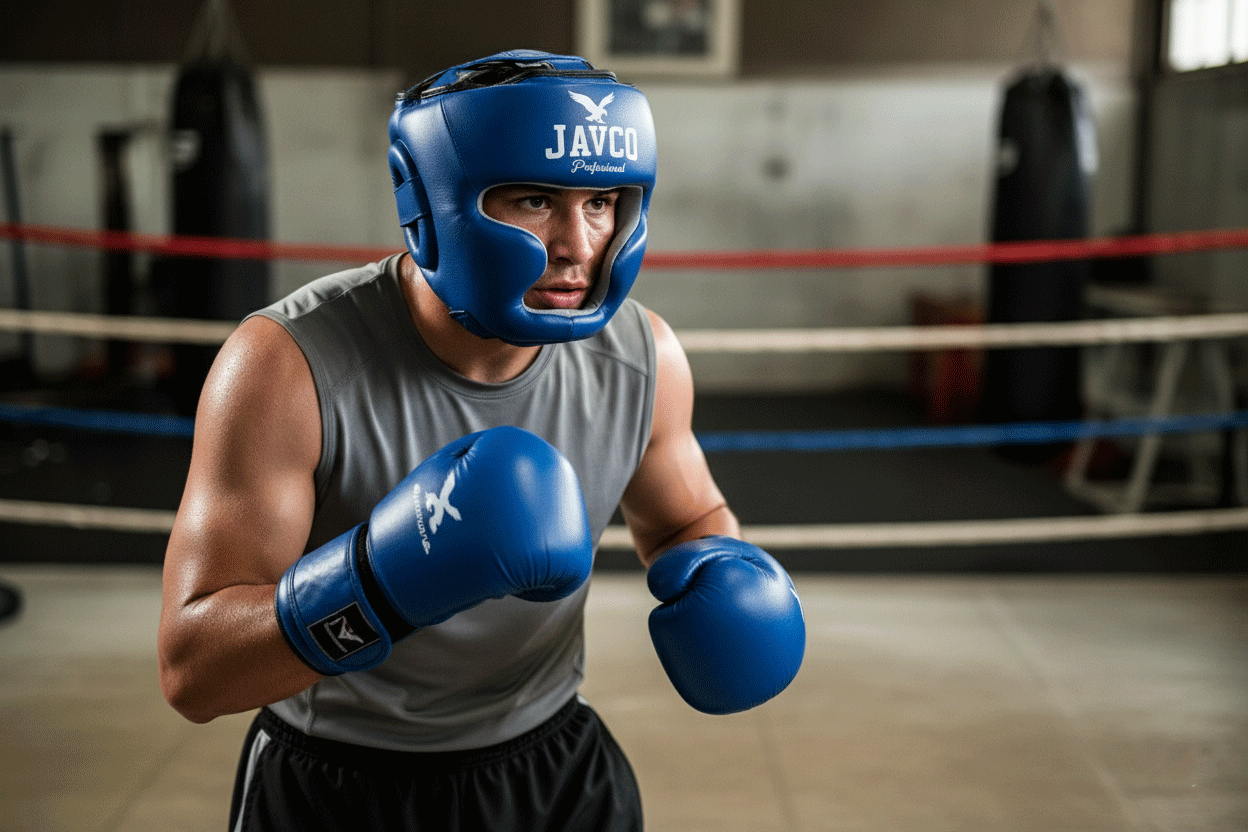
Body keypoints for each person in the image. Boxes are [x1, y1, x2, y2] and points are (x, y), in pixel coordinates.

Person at [157, 50, 805, 832]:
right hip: (340, 782)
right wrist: (380, 584)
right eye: (534, 199)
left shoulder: (643, 357)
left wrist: (720, 569)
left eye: (602, 201)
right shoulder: (287, 367)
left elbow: (683, 519)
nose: (576, 244)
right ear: (430, 201)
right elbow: (193, 672)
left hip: (552, 769)